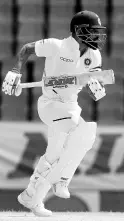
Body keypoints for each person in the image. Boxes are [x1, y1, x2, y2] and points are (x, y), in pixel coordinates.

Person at [2, 10, 108, 217]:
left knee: (53, 155)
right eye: (93, 31)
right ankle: (62, 180)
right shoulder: (56, 46)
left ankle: (32, 197)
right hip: (50, 105)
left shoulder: (94, 55)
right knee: (85, 133)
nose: (97, 36)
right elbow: (27, 49)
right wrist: (16, 70)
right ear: (79, 31)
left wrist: (95, 87)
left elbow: (92, 81)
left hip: (70, 106)